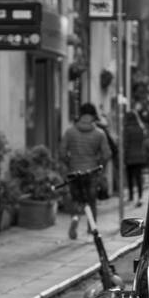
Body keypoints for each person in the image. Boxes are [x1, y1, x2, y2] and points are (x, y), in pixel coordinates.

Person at [59, 102, 112, 240]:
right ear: (93, 116)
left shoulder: (70, 132)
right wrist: (100, 165)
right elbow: (107, 154)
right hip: (92, 172)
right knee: (91, 202)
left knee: (77, 200)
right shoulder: (99, 133)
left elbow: (62, 152)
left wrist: (69, 162)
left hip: (74, 171)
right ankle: (91, 232)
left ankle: (75, 218)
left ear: (80, 115)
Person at [122, 110, 149, 207]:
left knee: (130, 177)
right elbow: (145, 141)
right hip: (140, 156)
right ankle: (140, 196)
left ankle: (131, 196)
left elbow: (125, 144)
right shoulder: (141, 128)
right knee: (138, 177)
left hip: (129, 156)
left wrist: (123, 156)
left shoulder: (127, 129)